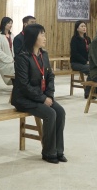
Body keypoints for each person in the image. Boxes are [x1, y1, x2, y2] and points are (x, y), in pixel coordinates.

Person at [11, 23, 66, 164]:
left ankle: (58, 150)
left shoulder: (44, 54)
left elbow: (50, 76)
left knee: (60, 111)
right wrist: (42, 99)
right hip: (24, 99)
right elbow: (24, 85)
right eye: (42, 34)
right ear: (33, 37)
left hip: (41, 96)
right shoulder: (22, 57)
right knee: (50, 114)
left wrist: (49, 95)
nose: (44, 38)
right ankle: (48, 152)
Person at [70, 20, 92, 98]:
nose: (84, 28)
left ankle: (95, 92)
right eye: (82, 26)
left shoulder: (88, 39)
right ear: (77, 28)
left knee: (96, 68)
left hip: (87, 62)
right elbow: (75, 53)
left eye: (85, 26)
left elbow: (91, 51)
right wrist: (85, 61)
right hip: (76, 63)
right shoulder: (74, 39)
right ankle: (88, 93)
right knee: (91, 70)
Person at [0, 17, 15, 85]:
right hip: (2, 60)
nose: (10, 25)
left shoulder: (12, 35)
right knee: (15, 68)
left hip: (12, 60)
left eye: (11, 23)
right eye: (9, 23)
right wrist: (10, 59)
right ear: (4, 24)